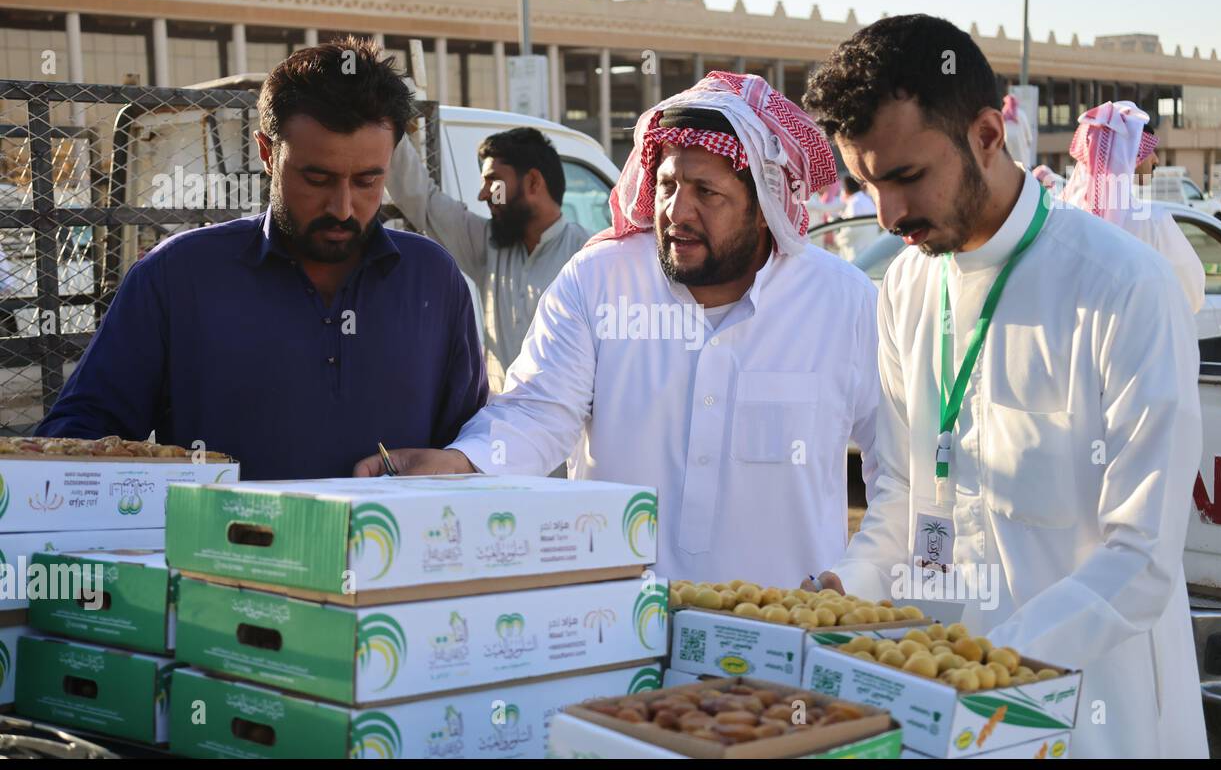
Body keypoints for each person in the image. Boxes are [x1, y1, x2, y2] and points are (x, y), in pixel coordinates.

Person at [800, 14, 1207, 759]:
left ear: (987, 135)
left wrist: (991, 663)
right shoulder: (904, 289)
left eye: (906, 177)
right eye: (867, 184)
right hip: (935, 716)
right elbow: (904, 496)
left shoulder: (1122, 288)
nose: (888, 216)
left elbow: (1143, 555)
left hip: (1087, 714)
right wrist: (845, 587)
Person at [357, 72, 881, 586]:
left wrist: (856, 579)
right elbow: (538, 411)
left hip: (790, 634)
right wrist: (460, 462)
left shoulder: (843, 301)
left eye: (707, 192)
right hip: (623, 628)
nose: (677, 210)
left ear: (764, 206)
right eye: (669, 185)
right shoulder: (601, 278)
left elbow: (898, 468)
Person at [38, 38, 487, 479]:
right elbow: (79, 440)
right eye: (317, 178)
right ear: (268, 153)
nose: (343, 207)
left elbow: (475, 446)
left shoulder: (432, 278)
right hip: (226, 551)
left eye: (369, 180)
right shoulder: (177, 277)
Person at [385, 126, 589, 391]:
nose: (483, 194)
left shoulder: (586, 257)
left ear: (533, 182)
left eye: (493, 182)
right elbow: (422, 199)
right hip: (500, 422)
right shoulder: (488, 244)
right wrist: (387, 120)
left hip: (566, 429)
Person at [1061, 102, 1205, 312]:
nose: (1155, 160)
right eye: (1149, 150)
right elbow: (1192, 294)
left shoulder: (1062, 219)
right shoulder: (1153, 222)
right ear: (1129, 155)